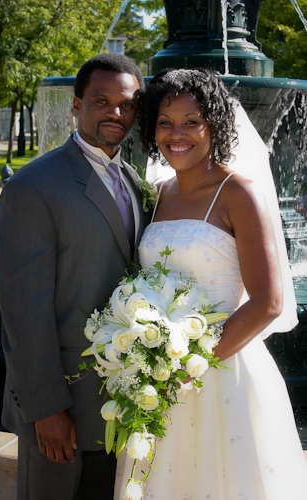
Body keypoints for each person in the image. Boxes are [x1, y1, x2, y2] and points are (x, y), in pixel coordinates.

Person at [114, 68, 307, 499]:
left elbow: (269, 302)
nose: (176, 134)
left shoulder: (239, 193)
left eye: (191, 122)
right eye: (165, 122)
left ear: (214, 125)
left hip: (222, 371)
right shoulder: (158, 193)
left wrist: (187, 366)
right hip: (157, 375)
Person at [0, 53, 149, 500]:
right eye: (101, 101)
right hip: (60, 408)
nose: (116, 113)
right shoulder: (34, 186)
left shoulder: (134, 181)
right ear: (76, 105)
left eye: (127, 104)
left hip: (119, 403)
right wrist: (46, 410)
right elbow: (23, 312)